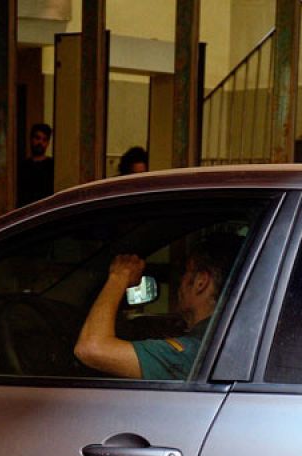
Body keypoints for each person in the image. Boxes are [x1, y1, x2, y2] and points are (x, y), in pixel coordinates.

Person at [74, 232, 242, 380]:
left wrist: (120, 275)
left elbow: (91, 348)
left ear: (201, 282)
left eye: (186, 272)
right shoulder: (229, 339)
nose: (180, 282)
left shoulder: (193, 352)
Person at [17, 123, 54, 207]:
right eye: (37, 138)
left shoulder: (52, 166)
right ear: (31, 139)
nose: (40, 142)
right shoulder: (23, 166)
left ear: (48, 143)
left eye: (44, 140)